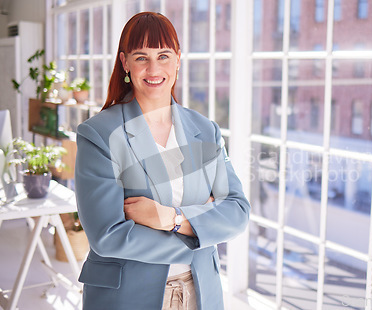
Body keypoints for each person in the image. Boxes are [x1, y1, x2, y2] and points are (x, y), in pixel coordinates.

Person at [74, 12, 250, 310]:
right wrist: (202, 224)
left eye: (164, 55)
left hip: (201, 293)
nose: (154, 68)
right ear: (124, 62)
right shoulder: (99, 134)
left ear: (178, 60)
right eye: (141, 57)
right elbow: (108, 236)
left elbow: (236, 211)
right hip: (127, 296)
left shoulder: (205, 130)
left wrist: (171, 218)